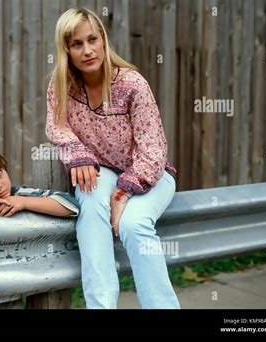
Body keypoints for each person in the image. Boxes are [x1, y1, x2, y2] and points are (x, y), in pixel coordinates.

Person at [45, 8, 180, 309]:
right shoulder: (61, 84)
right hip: (101, 171)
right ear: (66, 49)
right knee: (90, 201)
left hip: (151, 174)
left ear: (104, 40)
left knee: (133, 225)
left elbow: (154, 151)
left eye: (93, 39)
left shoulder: (132, 85)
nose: (87, 50)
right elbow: (57, 126)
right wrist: (77, 154)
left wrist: (122, 193)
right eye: (76, 44)